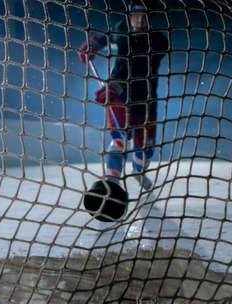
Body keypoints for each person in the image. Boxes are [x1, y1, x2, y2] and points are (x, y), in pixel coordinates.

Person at [79, 0, 168, 221]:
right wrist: (93, 45)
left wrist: (116, 87)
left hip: (144, 101)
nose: (139, 21)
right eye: (135, 16)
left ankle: (138, 172)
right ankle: (111, 184)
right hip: (117, 97)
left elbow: (136, 69)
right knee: (118, 140)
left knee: (145, 150)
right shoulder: (121, 28)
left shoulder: (157, 41)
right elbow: (107, 38)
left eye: (144, 16)